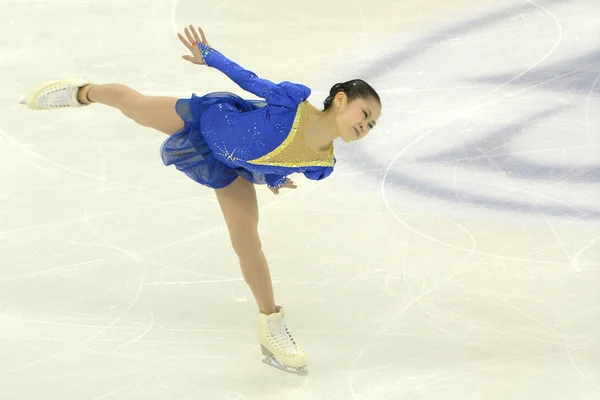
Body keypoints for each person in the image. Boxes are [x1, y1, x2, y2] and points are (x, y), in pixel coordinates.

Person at [21, 25, 382, 375]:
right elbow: (248, 79)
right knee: (134, 105)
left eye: (371, 125)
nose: (364, 127)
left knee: (247, 243)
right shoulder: (292, 102)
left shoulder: (322, 163)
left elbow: (277, 158)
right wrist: (209, 56)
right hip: (206, 121)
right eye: (364, 114)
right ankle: (82, 92)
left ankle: (271, 324)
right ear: (340, 100)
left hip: (230, 169)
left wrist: (273, 178)